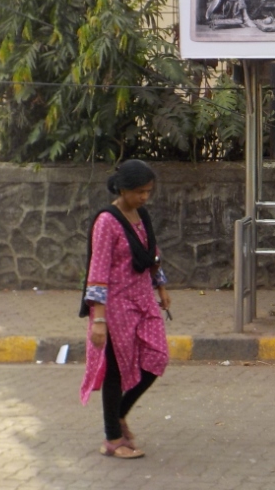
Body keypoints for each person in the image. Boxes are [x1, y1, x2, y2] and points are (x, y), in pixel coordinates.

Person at [80, 160, 170, 459]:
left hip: (142, 298)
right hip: (115, 305)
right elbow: (98, 268)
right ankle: (113, 439)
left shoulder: (140, 215)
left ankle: (118, 415)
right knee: (116, 370)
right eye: (139, 192)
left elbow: (151, 252)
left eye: (148, 191)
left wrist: (161, 286)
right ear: (123, 188)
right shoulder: (107, 221)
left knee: (157, 357)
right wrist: (99, 320)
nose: (144, 197)